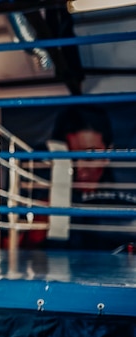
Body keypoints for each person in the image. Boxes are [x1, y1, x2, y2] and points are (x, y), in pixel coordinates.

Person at [19, 105, 136, 251]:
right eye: (71, 157)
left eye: (90, 155)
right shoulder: (46, 195)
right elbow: (28, 255)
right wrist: (40, 227)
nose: (80, 168)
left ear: (108, 153)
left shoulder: (128, 193)